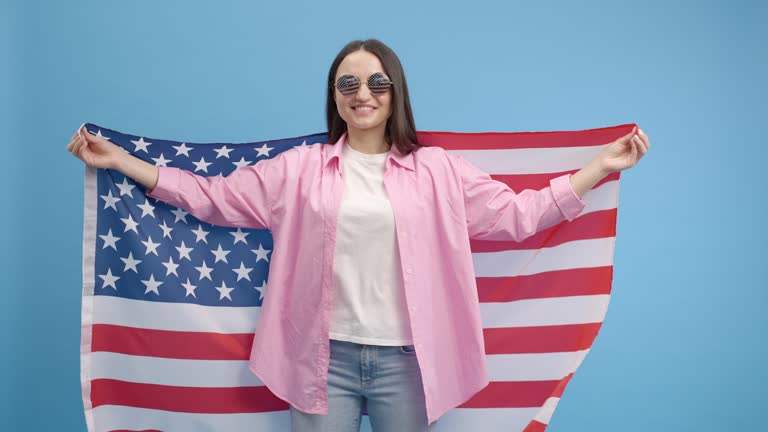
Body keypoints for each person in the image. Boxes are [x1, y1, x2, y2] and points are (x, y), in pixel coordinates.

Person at [66, 38, 650, 432]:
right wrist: (122, 162)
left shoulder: (439, 171)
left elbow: (520, 216)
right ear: (336, 97)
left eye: (375, 81)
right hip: (323, 360)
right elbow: (213, 198)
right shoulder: (298, 169)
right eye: (348, 84)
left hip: (409, 362)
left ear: (395, 90)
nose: (362, 93)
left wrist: (598, 169)